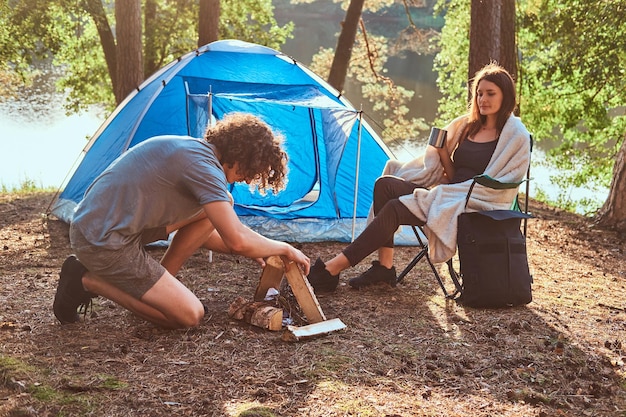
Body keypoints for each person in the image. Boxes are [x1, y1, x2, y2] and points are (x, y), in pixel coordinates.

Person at [53, 112, 311, 328]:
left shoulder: (194, 150)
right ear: (242, 154)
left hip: (103, 226)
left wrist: (257, 247)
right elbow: (236, 240)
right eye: (252, 169)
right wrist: (284, 247)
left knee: (216, 210)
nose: (247, 179)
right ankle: (85, 280)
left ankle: (158, 289)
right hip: (102, 241)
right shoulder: (205, 170)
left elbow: (210, 232)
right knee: (189, 316)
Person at [307, 62, 531, 292]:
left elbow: (504, 182)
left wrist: (455, 191)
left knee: (395, 208)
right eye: (479, 93)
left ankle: (331, 270)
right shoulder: (468, 127)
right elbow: (455, 176)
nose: (483, 99)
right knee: (385, 185)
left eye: (490, 94)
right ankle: (384, 268)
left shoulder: (513, 135)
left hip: (473, 203)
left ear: (506, 96)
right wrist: (443, 152)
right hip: (449, 192)